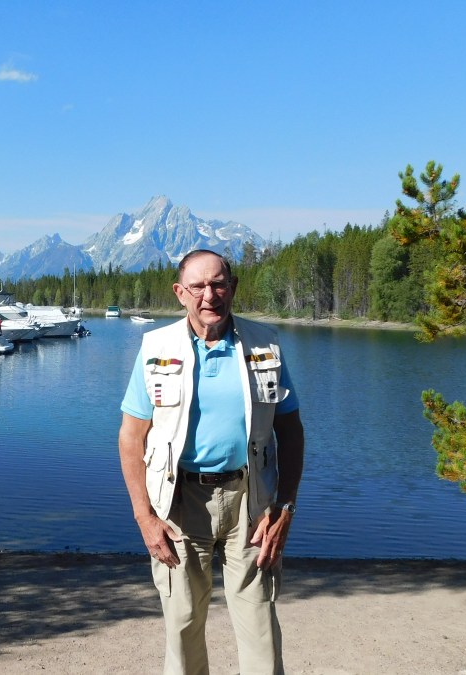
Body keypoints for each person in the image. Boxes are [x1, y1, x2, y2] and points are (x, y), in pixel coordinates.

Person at [118, 249, 304, 675]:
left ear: (233, 287)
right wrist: (144, 517)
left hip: (252, 503)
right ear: (180, 293)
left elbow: (291, 431)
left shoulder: (265, 343)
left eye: (218, 284)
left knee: (260, 625)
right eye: (198, 286)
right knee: (183, 625)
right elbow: (131, 437)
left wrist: (286, 507)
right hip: (179, 503)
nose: (209, 295)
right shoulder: (156, 347)